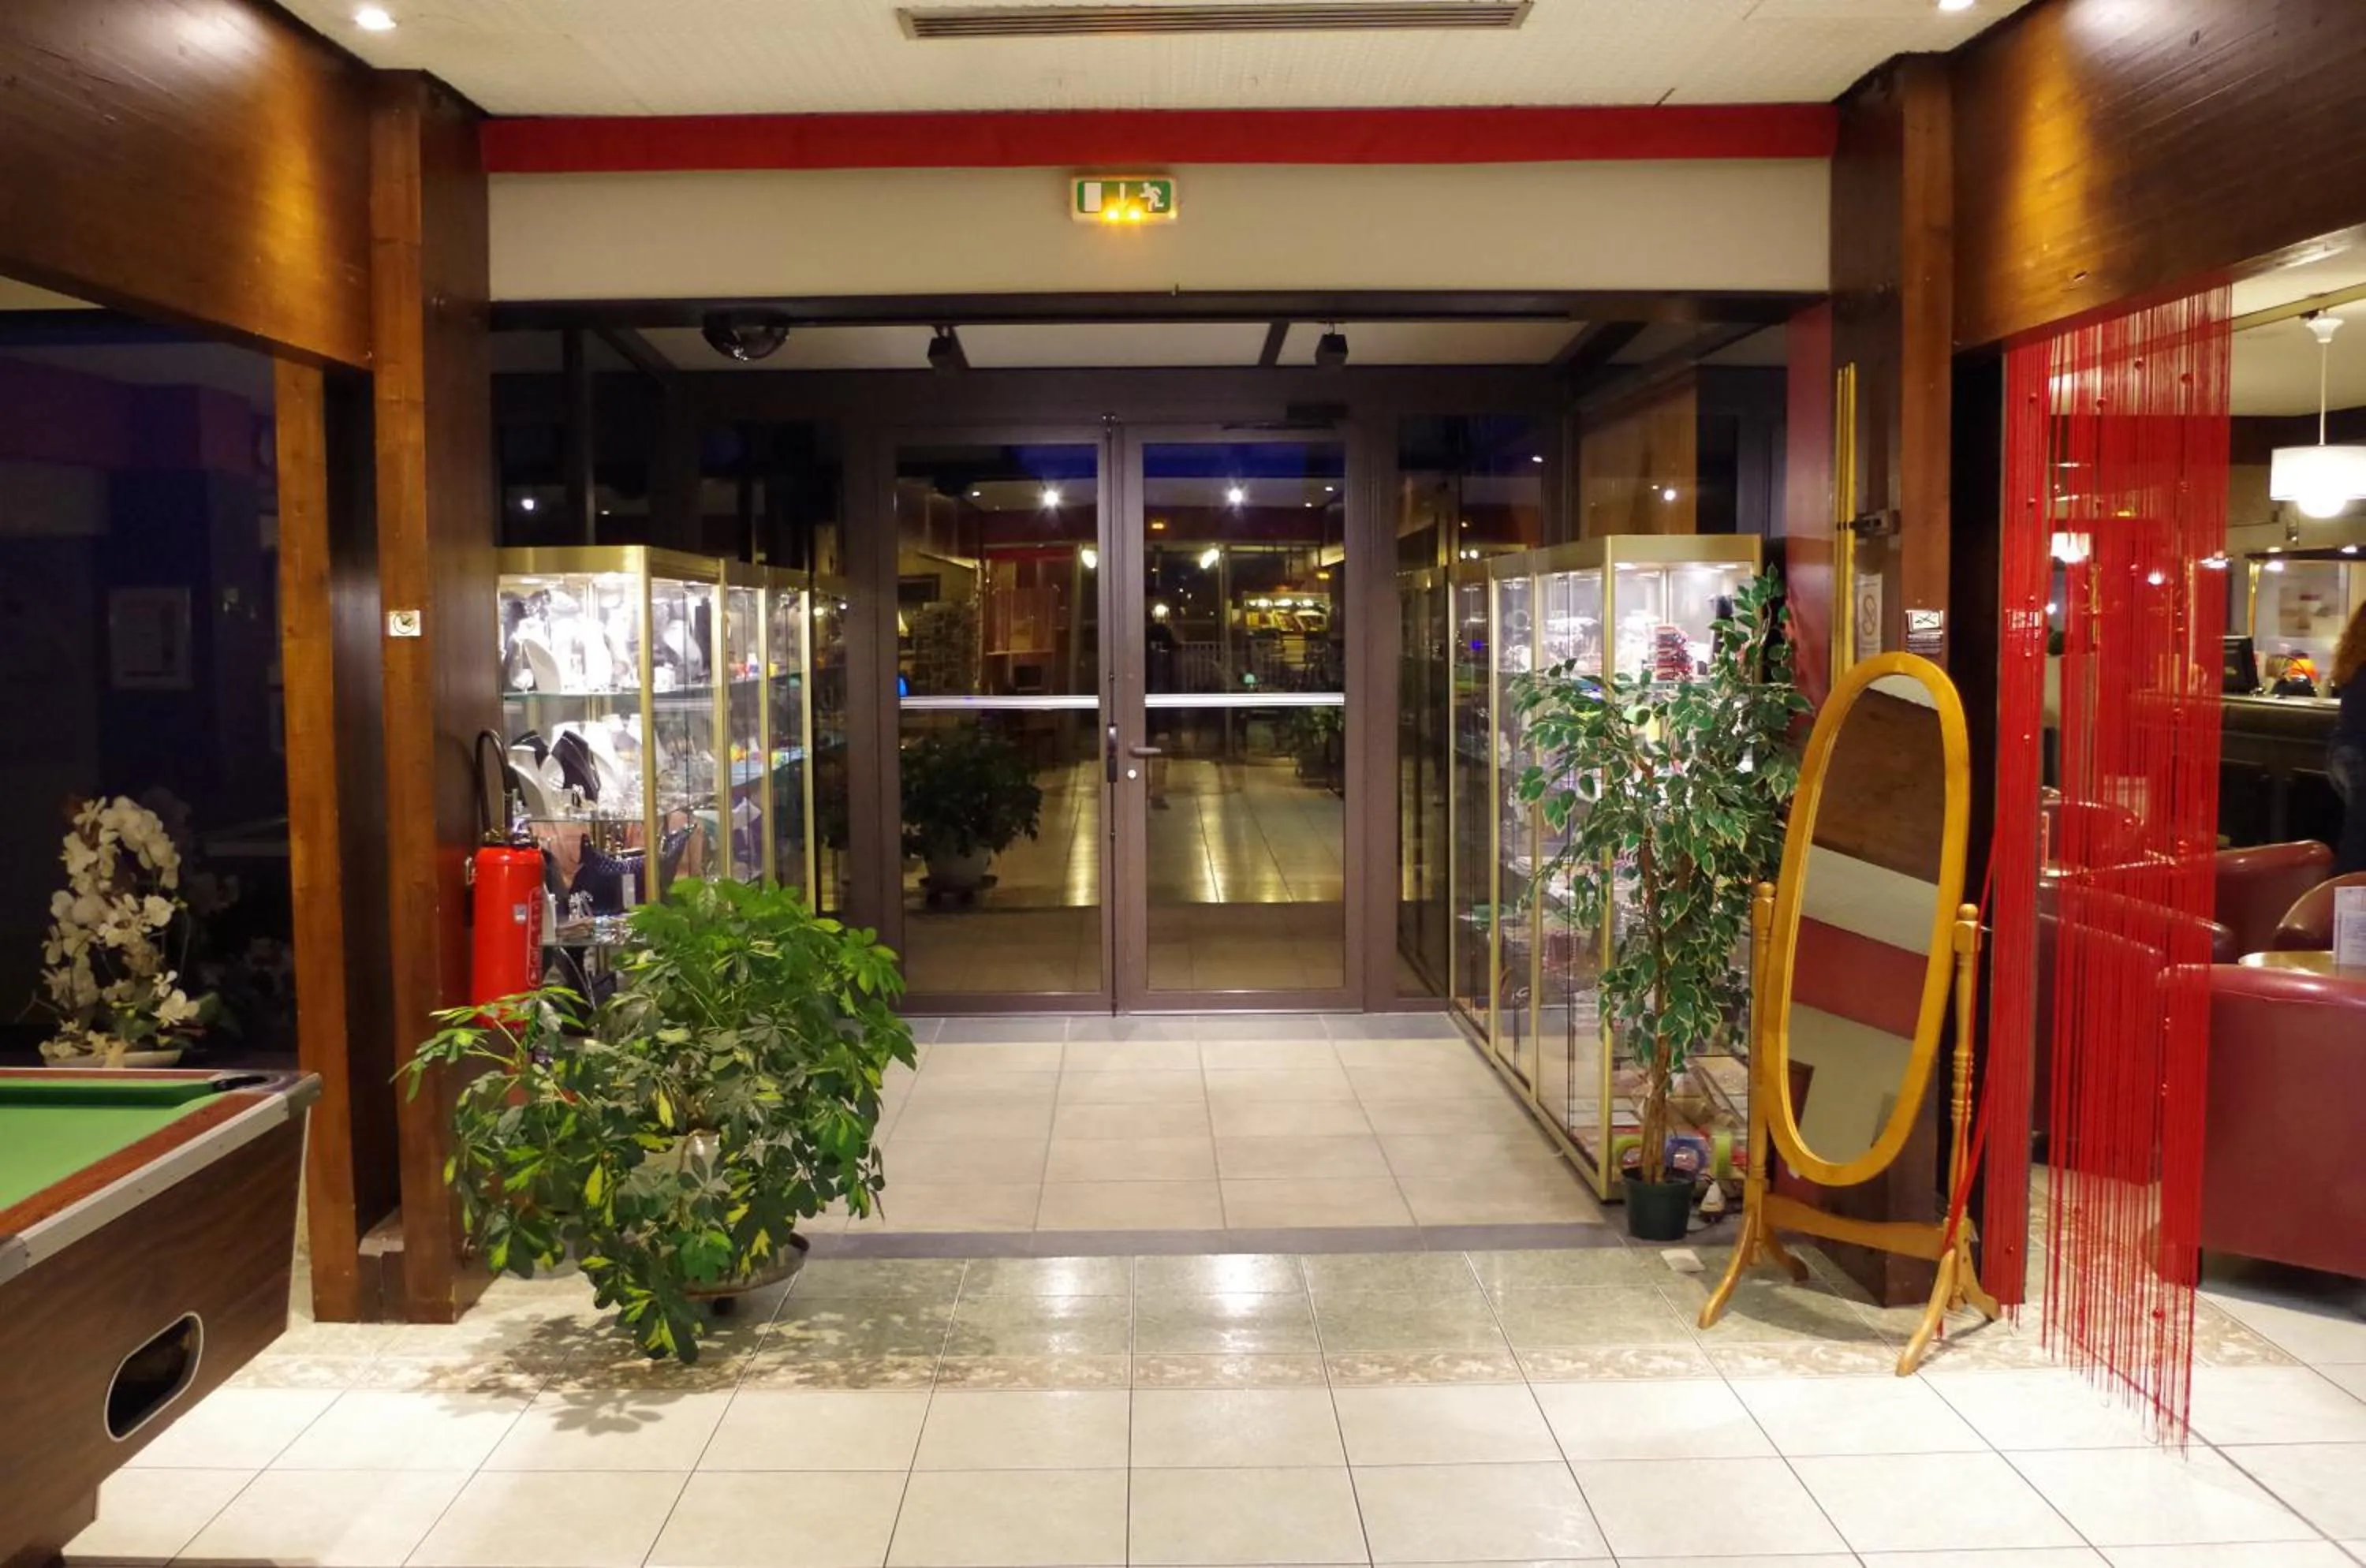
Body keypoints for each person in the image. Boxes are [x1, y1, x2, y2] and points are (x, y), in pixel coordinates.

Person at [2331, 599, 2366, 874]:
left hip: (2342, 753)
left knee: (2357, 830)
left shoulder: (2355, 662)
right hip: (2359, 753)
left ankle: (2345, 894)